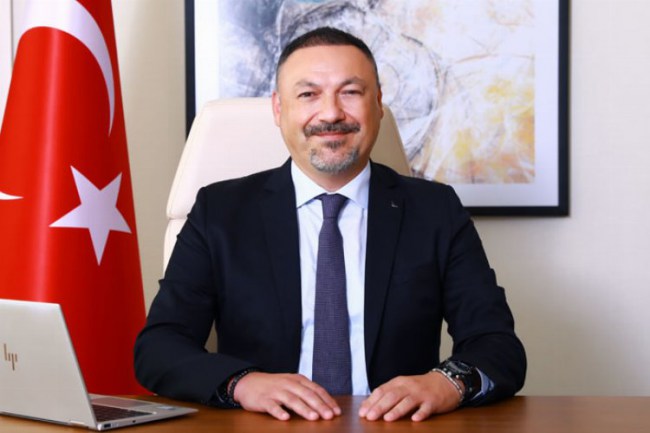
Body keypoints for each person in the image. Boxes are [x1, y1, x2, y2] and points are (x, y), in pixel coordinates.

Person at [134, 27, 526, 422]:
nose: (331, 113)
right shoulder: (220, 212)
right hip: (266, 427)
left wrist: (447, 383)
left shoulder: (435, 210)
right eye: (308, 94)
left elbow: (498, 345)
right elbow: (159, 348)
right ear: (278, 109)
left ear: (378, 104)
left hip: (394, 427)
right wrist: (242, 383)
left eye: (350, 92)